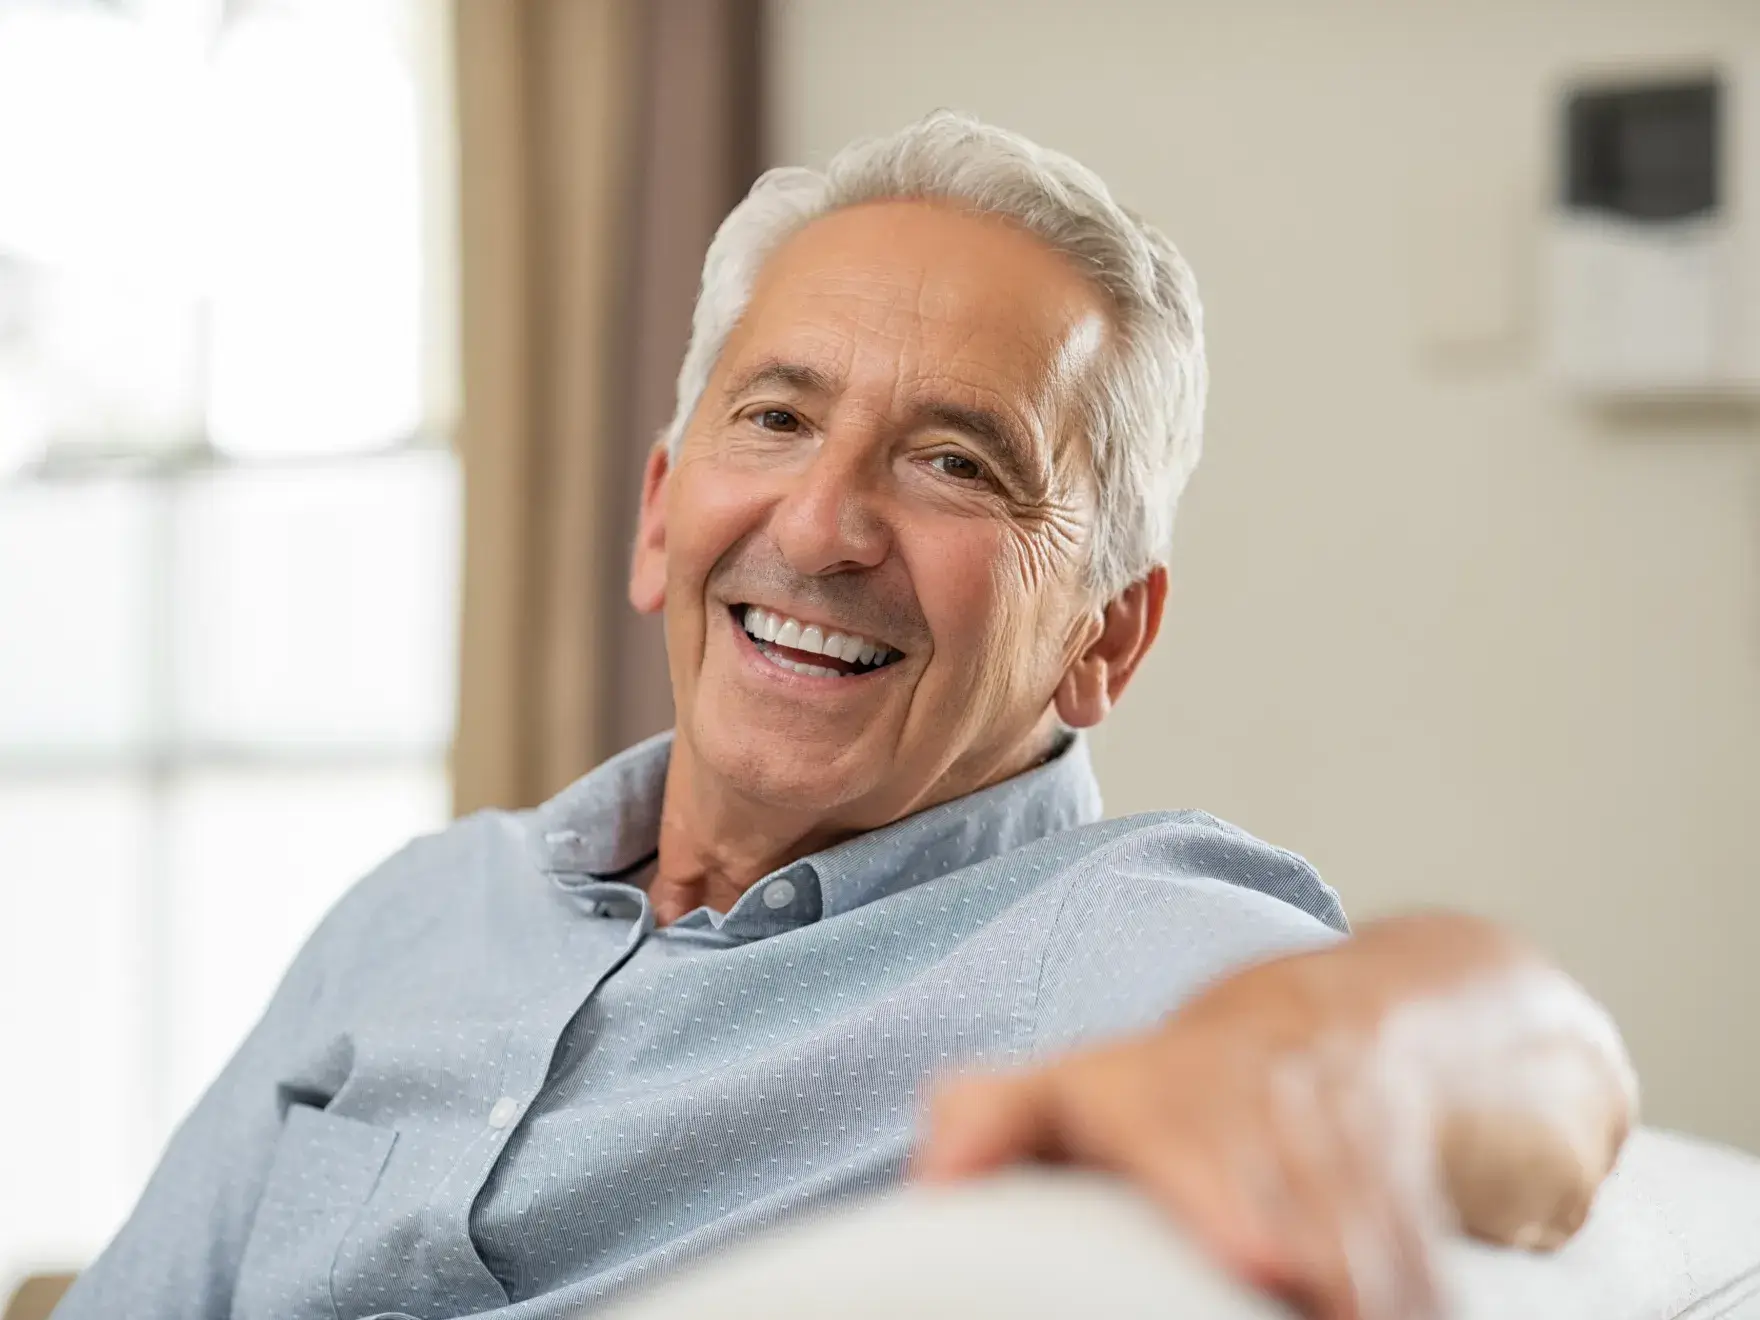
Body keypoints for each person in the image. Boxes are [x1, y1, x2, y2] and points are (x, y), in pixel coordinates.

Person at [53, 112, 1634, 1320]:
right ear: (663, 513)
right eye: (779, 416)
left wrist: (1317, 1056)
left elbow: (1548, 1066)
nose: (820, 528)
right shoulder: (416, 912)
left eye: (957, 462)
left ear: (1105, 638)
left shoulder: (1097, 948)